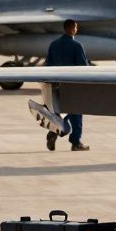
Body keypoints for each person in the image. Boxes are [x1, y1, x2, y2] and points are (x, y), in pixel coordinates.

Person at [45, 19, 90, 152]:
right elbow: (83, 66)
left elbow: (48, 64)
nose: (76, 29)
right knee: (75, 113)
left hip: (56, 84)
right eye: (76, 27)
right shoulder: (77, 45)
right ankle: (75, 143)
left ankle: (54, 131)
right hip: (72, 85)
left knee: (61, 111)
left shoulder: (53, 44)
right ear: (72, 29)